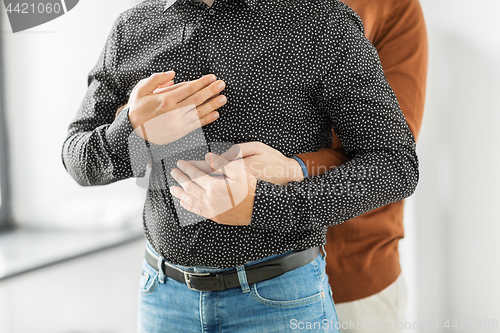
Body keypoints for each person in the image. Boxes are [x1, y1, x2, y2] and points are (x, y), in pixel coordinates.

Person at [61, 0, 419, 332]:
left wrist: (262, 205)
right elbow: (77, 157)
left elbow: (395, 165)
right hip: (163, 300)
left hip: (280, 301)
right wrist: (134, 131)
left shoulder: (320, 21)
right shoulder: (133, 28)